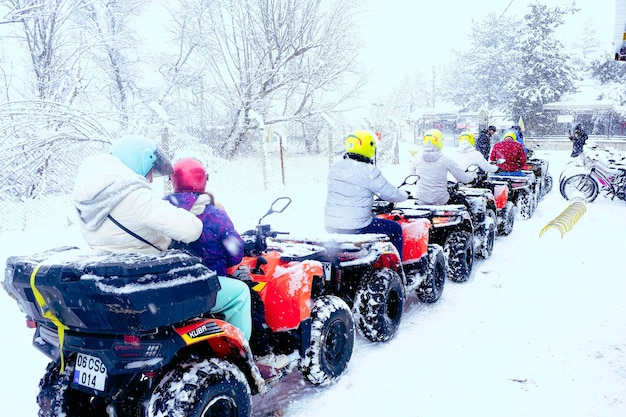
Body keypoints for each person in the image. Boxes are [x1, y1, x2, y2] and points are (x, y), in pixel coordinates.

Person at [72, 135, 254, 356]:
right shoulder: (134, 197)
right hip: (155, 285)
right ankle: (241, 355)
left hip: (120, 281)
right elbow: (194, 230)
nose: (149, 180)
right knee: (241, 292)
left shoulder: (90, 201)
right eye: (149, 171)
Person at [324, 130, 408, 257]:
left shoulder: (336, 167)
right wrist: (405, 194)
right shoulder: (369, 171)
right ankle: (398, 268)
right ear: (368, 147)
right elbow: (390, 194)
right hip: (357, 227)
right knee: (395, 228)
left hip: (331, 226)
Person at [409, 129, 476, 205]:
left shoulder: (416, 158)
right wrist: (472, 179)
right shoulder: (445, 160)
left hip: (421, 201)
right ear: (440, 141)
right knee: (464, 203)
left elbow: (411, 178)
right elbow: (462, 177)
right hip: (441, 201)